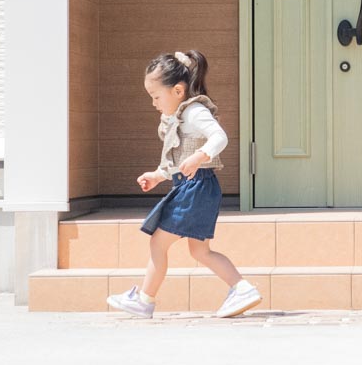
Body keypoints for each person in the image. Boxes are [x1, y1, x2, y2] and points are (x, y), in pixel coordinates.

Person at [106, 50, 263, 320]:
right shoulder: (179, 117)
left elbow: (219, 137)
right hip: (195, 187)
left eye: (156, 96)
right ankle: (242, 289)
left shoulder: (194, 112)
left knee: (158, 242)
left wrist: (201, 155)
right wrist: (158, 175)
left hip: (196, 187)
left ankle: (145, 300)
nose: (153, 103)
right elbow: (179, 160)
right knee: (200, 250)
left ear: (178, 90)